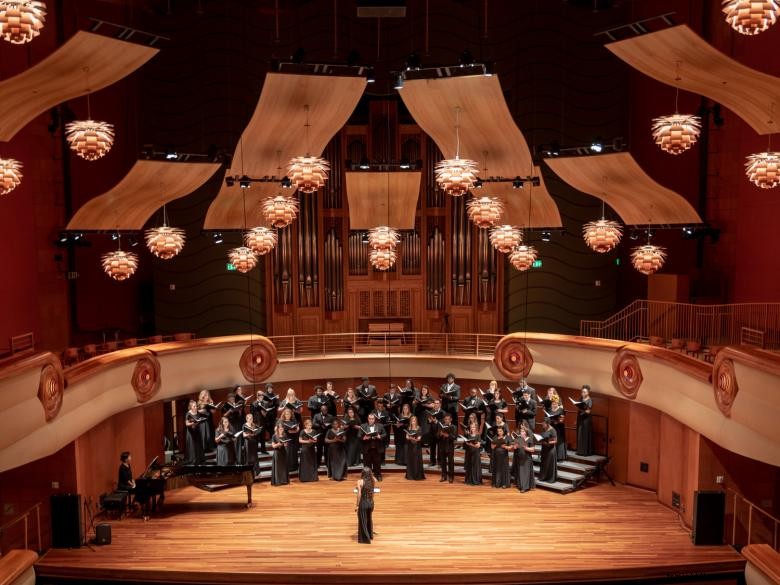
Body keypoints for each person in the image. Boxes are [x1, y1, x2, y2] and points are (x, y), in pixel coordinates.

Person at [359, 413, 386, 481]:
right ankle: (367, 477)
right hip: (367, 448)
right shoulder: (363, 426)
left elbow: (385, 434)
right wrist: (363, 438)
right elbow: (359, 435)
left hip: (377, 448)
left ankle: (378, 475)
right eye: (370, 419)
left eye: (372, 419)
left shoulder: (380, 426)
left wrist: (380, 436)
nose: (371, 420)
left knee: (377, 463)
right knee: (367, 464)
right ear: (368, 419)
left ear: (375, 419)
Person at [355, 467, 375, 544]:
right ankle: (370, 535)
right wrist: (372, 502)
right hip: (371, 502)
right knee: (369, 519)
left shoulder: (360, 482)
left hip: (363, 503)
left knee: (363, 520)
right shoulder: (373, 481)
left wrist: (357, 505)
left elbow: (359, 494)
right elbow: (372, 492)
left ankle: (365, 539)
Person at [513, 426, 535, 492]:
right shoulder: (518, 439)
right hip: (520, 458)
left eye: (522, 431)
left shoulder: (529, 439)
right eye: (521, 431)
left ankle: (525, 487)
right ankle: (521, 485)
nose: (521, 432)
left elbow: (533, 449)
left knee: (525, 472)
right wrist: (515, 446)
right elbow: (514, 448)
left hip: (527, 458)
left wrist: (526, 448)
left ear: (526, 433)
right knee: (521, 472)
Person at [312, 403, 334, 468]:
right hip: (319, 434)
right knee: (319, 450)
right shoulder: (316, 415)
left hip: (327, 435)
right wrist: (320, 425)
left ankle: (327, 463)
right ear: (321, 410)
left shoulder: (330, 416)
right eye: (323, 410)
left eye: (326, 410)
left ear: (327, 410)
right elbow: (313, 424)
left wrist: (328, 425)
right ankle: (318, 463)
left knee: (327, 450)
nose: (324, 411)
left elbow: (333, 425)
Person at [547, 390, 567, 462]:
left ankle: (559, 457)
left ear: (558, 403)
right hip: (552, 427)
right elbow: (547, 418)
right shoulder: (549, 409)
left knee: (558, 441)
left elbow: (562, 419)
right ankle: (551, 455)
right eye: (553, 403)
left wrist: (557, 421)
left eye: (555, 403)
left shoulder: (561, 410)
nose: (554, 405)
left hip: (559, 428)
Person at [259, 383, 279, 453]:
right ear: (267, 389)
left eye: (271, 388)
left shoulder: (274, 395)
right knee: (267, 425)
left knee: (273, 426)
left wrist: (277, 399)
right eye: (269, 388)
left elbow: (277, 404)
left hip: (273, 413)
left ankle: (271, 438)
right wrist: (268, 403)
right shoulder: (264, 395)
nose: (270, 389)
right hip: (266, 413)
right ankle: (269, 438)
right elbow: (262, 403)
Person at [404, 415, 425, 480]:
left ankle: (417, 475)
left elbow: (419, 438)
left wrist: (414, 439)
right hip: (410, 445)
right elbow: (406, 437)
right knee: (410, 459)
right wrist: (409, 438)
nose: (413, 421)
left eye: (414, 420)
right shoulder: (409, 428)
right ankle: (410, 475)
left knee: (416, 460)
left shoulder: (419, 428)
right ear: (410, 421)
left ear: (416, 421)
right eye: (412, 420)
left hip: (416, 446)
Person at [425, 399, 445, 467]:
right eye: (435, 403)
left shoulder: (443, 412)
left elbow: (443, 423)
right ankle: (432, 461)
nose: (436, 404)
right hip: (432, 432)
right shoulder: (430, 412)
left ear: (440, 404)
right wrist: (430, 421)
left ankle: (439, 462)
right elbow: (428, 421)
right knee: (432, 448)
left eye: (437, 403)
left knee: (440, 448)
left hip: (439, 432)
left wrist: (436, 421)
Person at [185, 400, 206, 464]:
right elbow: (186, 424)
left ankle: (199, 459)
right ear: (191, 407)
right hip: (191, 432)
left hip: (197, 430)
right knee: (193, 445)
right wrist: (192, 424)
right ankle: (193, 460)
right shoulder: (188, 413)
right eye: (194, 406)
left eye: (196, 406)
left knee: (198, 444)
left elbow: (199, 419)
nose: (196, 407)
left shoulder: (198, 412)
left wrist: (200, 421)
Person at [437, 413, 456, 483]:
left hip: (450, 447)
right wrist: (440, 434)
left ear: (451, 419)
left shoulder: (454, 427)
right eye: (445, 419)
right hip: (442, 447)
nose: (446, 421)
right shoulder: (441, 426)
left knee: (451, 462)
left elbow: (454, 437)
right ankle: (443, 476)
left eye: (448, 419)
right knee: (443, 462)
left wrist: (447, 435)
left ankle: (451, 477)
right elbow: (437, 436)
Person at [280, 407, 300, 472]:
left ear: (291, 415)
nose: (287, 415)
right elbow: (280, 430)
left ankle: (294, 467)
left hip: (293, 437)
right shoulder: (282, 421)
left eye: (289, 414)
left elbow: (297, 428)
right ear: (284, 414)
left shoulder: (294, 420)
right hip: (286, 438)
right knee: (288, 453)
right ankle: (288, 467)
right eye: (286, 414)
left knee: (294, 452)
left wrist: (295, 431)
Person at [575, 385, 594, 456]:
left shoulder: (590, 400)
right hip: (580, 417)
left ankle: (585, 452)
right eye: (582, 392)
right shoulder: (581, 399)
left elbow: (588, 411)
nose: (582, 393)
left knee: (585, 435)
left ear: (588, 393)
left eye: (584, 392)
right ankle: (580, 451)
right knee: (580, 434)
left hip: (586, 419)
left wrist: (582, 409)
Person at [538, 418, 558, 483]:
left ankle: (549, 478)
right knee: (544, 463)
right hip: (544, 448)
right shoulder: (544, 428)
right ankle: (543, 477)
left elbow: (555, 441)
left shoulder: (553, 430)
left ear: (547, 424)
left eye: (543, 423)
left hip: (550, 450)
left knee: (549, 464)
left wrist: (548, 443)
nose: (542, 424)